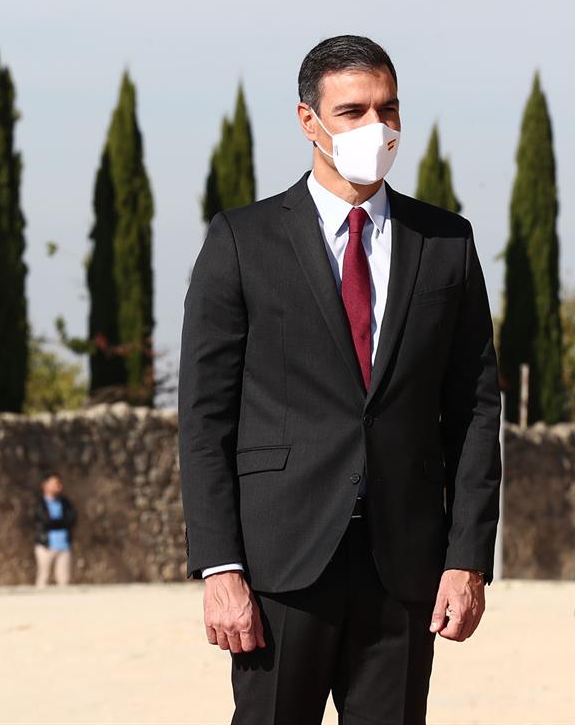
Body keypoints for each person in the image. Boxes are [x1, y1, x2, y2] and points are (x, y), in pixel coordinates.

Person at [179, 36, 501, 724]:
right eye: (352, 111)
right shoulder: (242, 240)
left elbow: (474, 410)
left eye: (388, 110)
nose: (374, 129)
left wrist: (466, 558)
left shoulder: (447, 243)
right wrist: (220, 568)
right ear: (309, 121)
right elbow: (205, 420)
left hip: (405, 569)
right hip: (278, 570)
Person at [34, 472, 77, 586]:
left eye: (59, 483)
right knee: (43, 577)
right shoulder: (39, 504)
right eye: (55, 483)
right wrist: (60, 522)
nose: (58, 486)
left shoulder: (66, 503)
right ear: (45, 485)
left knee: (64, 579)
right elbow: (44, 522)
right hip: (45, 545)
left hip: (64, 546)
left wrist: (56, 522)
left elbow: (71, 520)